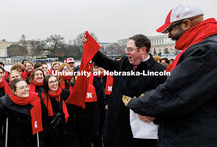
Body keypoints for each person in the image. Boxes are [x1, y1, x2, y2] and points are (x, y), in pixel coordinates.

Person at [127, 3, 217, 146]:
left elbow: (174, 94)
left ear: (186, 24)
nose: (169, 35)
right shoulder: (203, 47)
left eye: (170, 29)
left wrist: (134, 103)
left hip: (192, 137)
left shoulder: (206, 50)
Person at [83, 33, 166, 146]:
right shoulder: (123, 63)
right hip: (114, 129)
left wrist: (156, 116)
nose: (127, 52)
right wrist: (90, 46)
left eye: (130, 49)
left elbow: (166, 100)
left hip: (139, 134)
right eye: (127, 49)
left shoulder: (160, 71)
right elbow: (105, 62)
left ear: (143, 50)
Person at [0, 78, 48, 147]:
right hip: (13, 141)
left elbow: (44, 119)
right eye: (22, 88)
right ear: (13, 91)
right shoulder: (4, 102)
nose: (26, 89)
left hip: (32, 139)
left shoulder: (36, 99)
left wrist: (42, 139)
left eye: (26, 86)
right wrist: (0, 143)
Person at [40, 75, 79, 147]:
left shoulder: (66, 93)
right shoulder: (42, 97)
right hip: (51, 132)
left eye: (55, 81)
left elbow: (72, 111)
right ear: (46, 84)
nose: (54, 84)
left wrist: (72, 128)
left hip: (66, 130)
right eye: (51, 82)